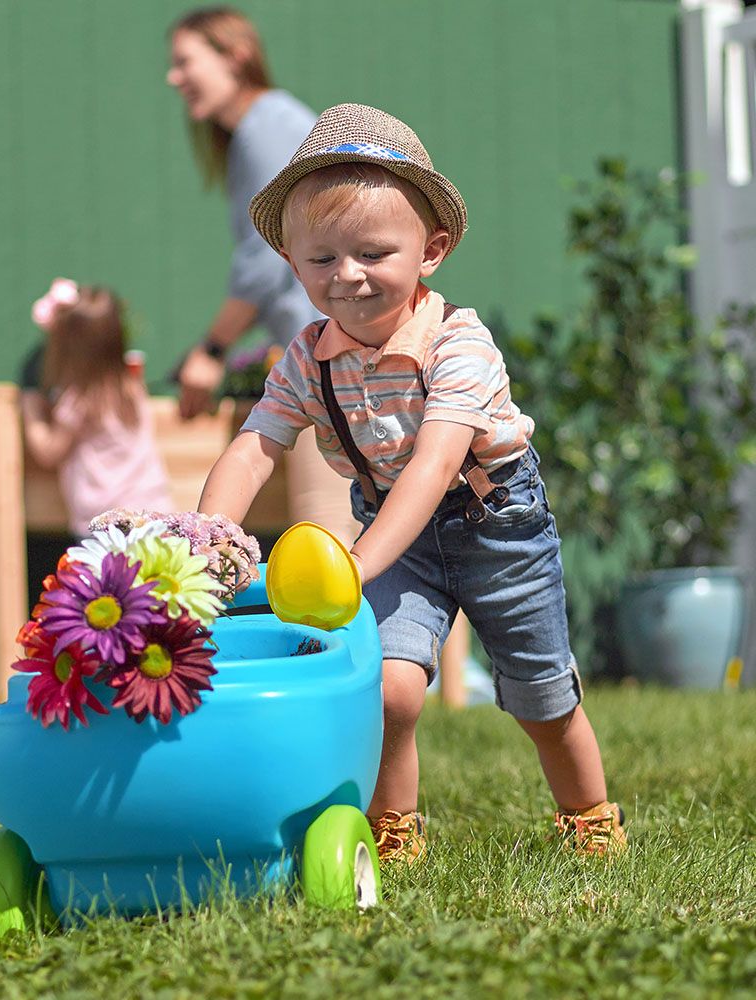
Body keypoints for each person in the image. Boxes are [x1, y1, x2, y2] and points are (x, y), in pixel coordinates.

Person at [198, 104, 627, 862]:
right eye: (321, 259)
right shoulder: (306, 359)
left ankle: (588, 817)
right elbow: (253, 448)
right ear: (293, 263)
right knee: (391, 688)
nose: (348, 276)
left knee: (541, 698)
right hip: (399, 536)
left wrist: (359, 563)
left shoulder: (458, 342)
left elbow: (433, 465)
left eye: (372, 252)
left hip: (497, 524)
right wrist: (209, 542)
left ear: (430, 250)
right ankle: (395, 827)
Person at [166, 5, 357, 544]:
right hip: (325, 351)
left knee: (330, 533)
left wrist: (210, 349)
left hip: (334, 353)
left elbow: (266, 257)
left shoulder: (266, 127)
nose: (174, 78)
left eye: (186, 62)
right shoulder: (262, 130)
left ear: (236, 55)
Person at [19, 278, 173, 538]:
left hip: (107, 524)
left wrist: (31, 410)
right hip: (155, 512)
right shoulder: (131, 387)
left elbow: (48, 451)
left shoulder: (79, 400)